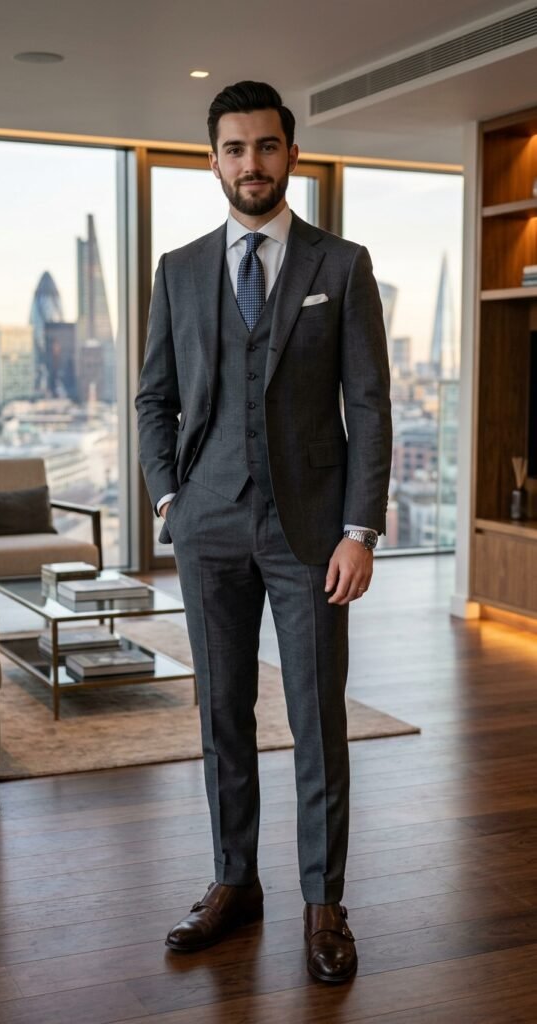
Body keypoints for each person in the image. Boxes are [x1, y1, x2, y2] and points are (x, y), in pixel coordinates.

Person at [136, 80, 392, 984]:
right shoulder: (179, 268)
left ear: (292, 153)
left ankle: (324, 902)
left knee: (318, 721)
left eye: (267, 146)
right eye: (234, 148)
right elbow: (153, 400)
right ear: (214, 159)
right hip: (205, 526)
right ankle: (233, 883)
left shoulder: (342, 265)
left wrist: (360, 529)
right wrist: (168, 501)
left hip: (312, 534)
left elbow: (368, 403)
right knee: (220, 716)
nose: (252, 163)